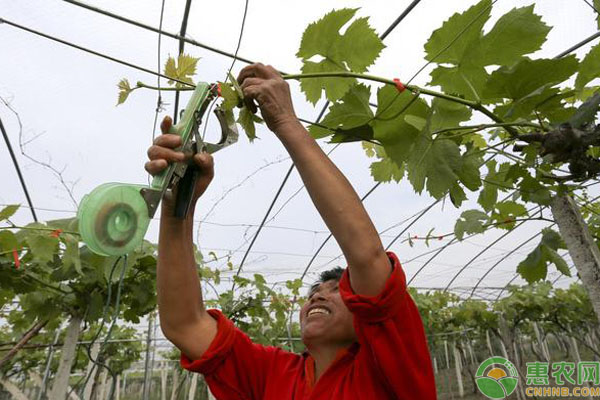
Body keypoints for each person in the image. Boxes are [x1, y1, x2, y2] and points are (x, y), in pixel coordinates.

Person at [145, 63, 437, 399]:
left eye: (336, 290)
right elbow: (185, 326)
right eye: (316, 289)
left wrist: (285, 122)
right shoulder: (272, 373)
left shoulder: (393, 367)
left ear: (366, 312)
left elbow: (367, 256)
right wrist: (177, 208)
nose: (318, 294)